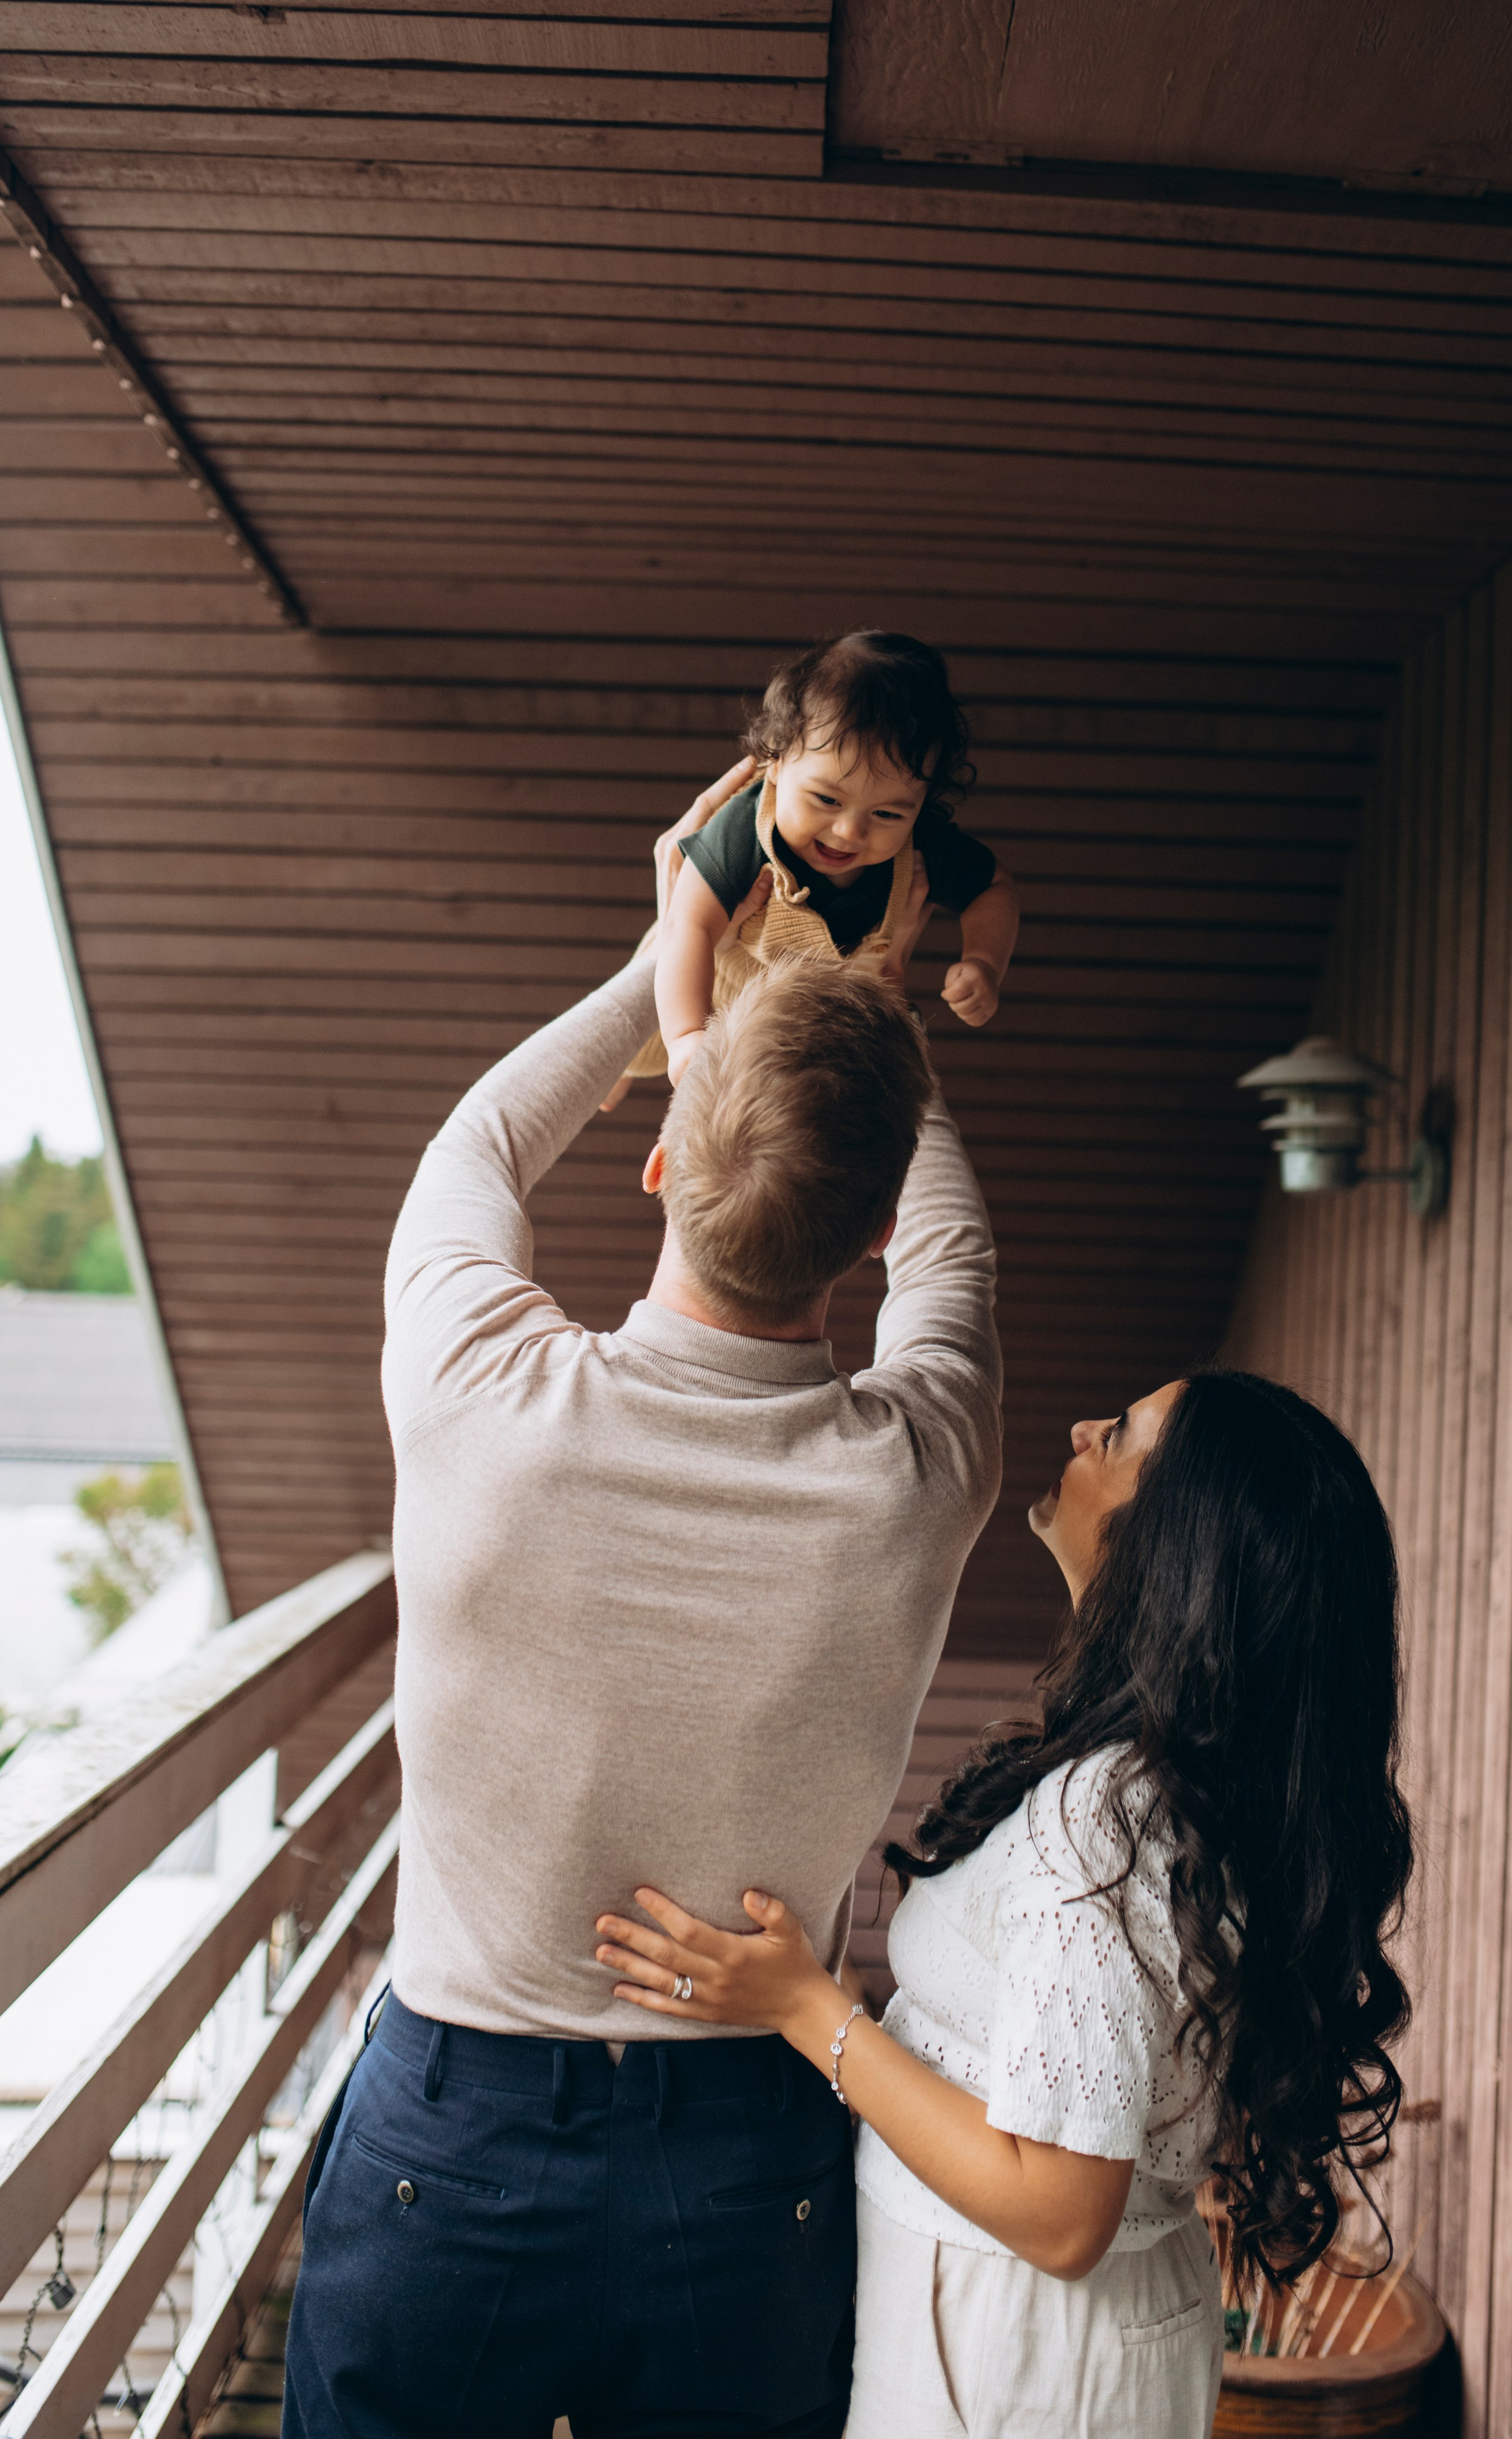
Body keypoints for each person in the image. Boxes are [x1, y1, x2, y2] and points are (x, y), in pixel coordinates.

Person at [280, 764, 1003, 2439]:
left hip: (447, 2144)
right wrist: (872, 997)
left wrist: (673, 937)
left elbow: (482, 1141)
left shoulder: (479, 1388)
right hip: (749, 2154)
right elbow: (954, 1262)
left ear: (664, 1158)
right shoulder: (918, 1472)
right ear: (877, 1223)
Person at [598, 1369, 1415, 2439]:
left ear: (1171, 1539)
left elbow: (1060, 2210)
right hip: (1066, 2342)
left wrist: (807, 2012)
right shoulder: (1177, 1792)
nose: (1081, 1426)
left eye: (1119, 1435)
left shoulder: (1103, 1820)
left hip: (1015, 2349)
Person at [610, 631, 1021, 1101]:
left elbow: (995, 888)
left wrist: (984, 962)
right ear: (778, 762)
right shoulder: (747, 826)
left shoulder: (922, 844)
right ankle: (621, 1075)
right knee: (622, 1051)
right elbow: (689, 925)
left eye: (887, 814)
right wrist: (685, 1036)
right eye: (826, 799)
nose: (849, 831)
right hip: (704, 976)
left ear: (922, 804)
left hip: (800, 1025)